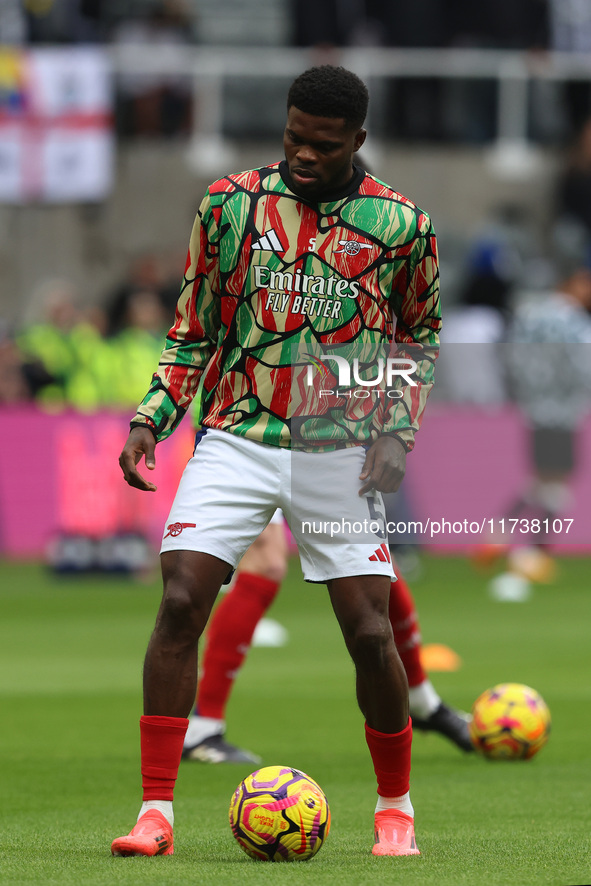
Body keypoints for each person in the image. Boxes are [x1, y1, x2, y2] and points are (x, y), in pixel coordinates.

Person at [114, 65, 441, 859]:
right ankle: (154, 812)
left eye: (320, 145)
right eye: (292, 137)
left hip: (337, 448)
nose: (300, 154)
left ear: (356, 140)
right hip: (235, 433)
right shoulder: (230, 204)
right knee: (182, 599)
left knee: (368, 633)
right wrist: (152, 417)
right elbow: (194, 327)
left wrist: (396, 433)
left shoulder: (401, 225)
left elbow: (417, 339)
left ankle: (393, 808)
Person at [183, 515, 472, 763]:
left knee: (370, 551)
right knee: (265, 559)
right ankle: (204, 726)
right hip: (254, 450)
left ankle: (421, 700)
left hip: (319, 451)